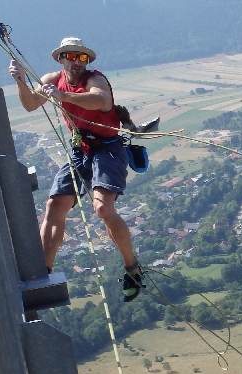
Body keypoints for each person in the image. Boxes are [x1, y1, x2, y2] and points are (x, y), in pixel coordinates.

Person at [9, 37, 144, 302]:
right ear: (60, 59)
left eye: (82, 58)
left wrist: (61, 95)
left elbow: (101, 101)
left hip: (107, 148)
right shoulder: (52, 78)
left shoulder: (95, 80)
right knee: (54, 206)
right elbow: (30, 104)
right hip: (81, 147)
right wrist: (20, 82)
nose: (77, 62)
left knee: (103, 208)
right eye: (71, 57)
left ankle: (133, 268)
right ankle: (42, 273)